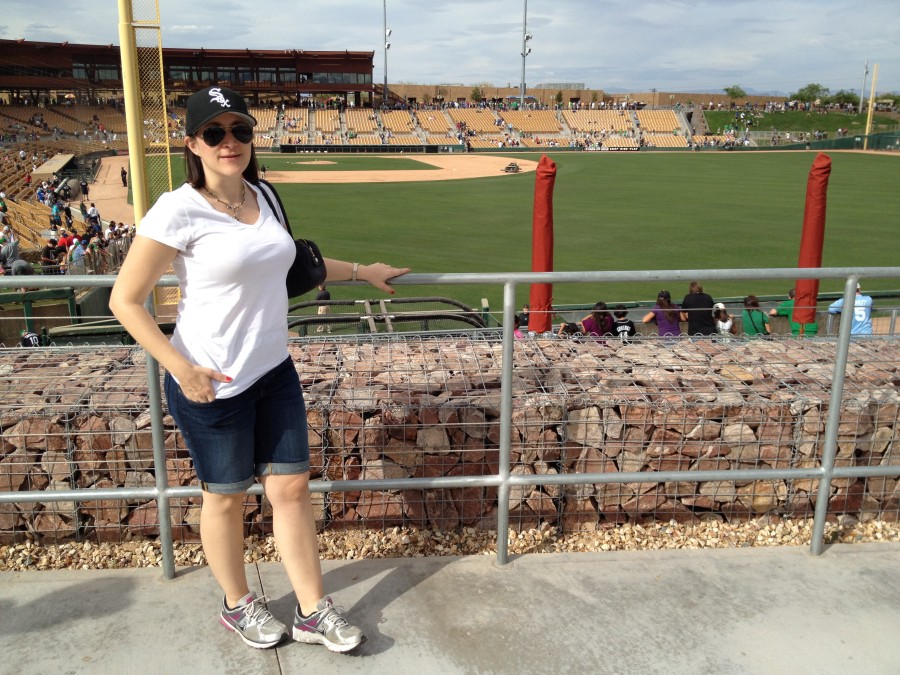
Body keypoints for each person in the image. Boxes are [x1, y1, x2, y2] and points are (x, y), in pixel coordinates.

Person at [110, 85, 409, 653]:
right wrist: (181, 368)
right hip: (211, 381)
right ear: (192, 143)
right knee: (225, 496)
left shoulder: (263, 195)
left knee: (292, 489)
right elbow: (125, 300)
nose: (230, 143)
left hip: (273, 369)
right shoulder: (177, 209)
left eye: (240, 131)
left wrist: (361, 270)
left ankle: (312, 611)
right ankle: (237, 603)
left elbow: (293, 261)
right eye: (215, 133)